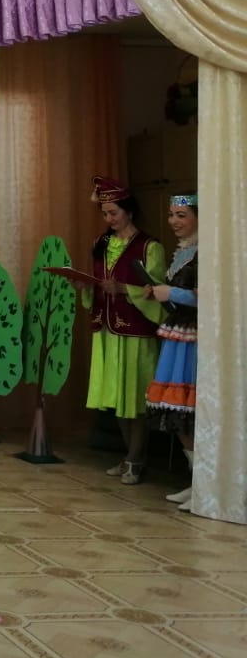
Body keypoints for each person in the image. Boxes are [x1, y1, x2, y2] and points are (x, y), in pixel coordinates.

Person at [79, 175, 166, 485]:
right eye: (105, 213)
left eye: (114, 212)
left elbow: (156, 291)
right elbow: (97, 281)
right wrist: (86, 287)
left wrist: (123, 289)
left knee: (136, 398)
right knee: (116, 396)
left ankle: (135, 459)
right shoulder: (100, 244)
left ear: (129, 210)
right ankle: (131, 457)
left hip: (135, 332)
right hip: (107, 329)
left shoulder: (150, 247)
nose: (109, 219)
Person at [145, 193, 199, 509]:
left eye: (181, 215)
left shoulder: (206, 253)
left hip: (195, 337)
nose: (174, 221)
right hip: (177, 333)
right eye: (171, 215)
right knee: (176, 408)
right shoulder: (182, 252)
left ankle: (205, 485)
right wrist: (159, 294)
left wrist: (172, 292)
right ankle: (196, 481)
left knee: (191, 408)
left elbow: (210, 295)